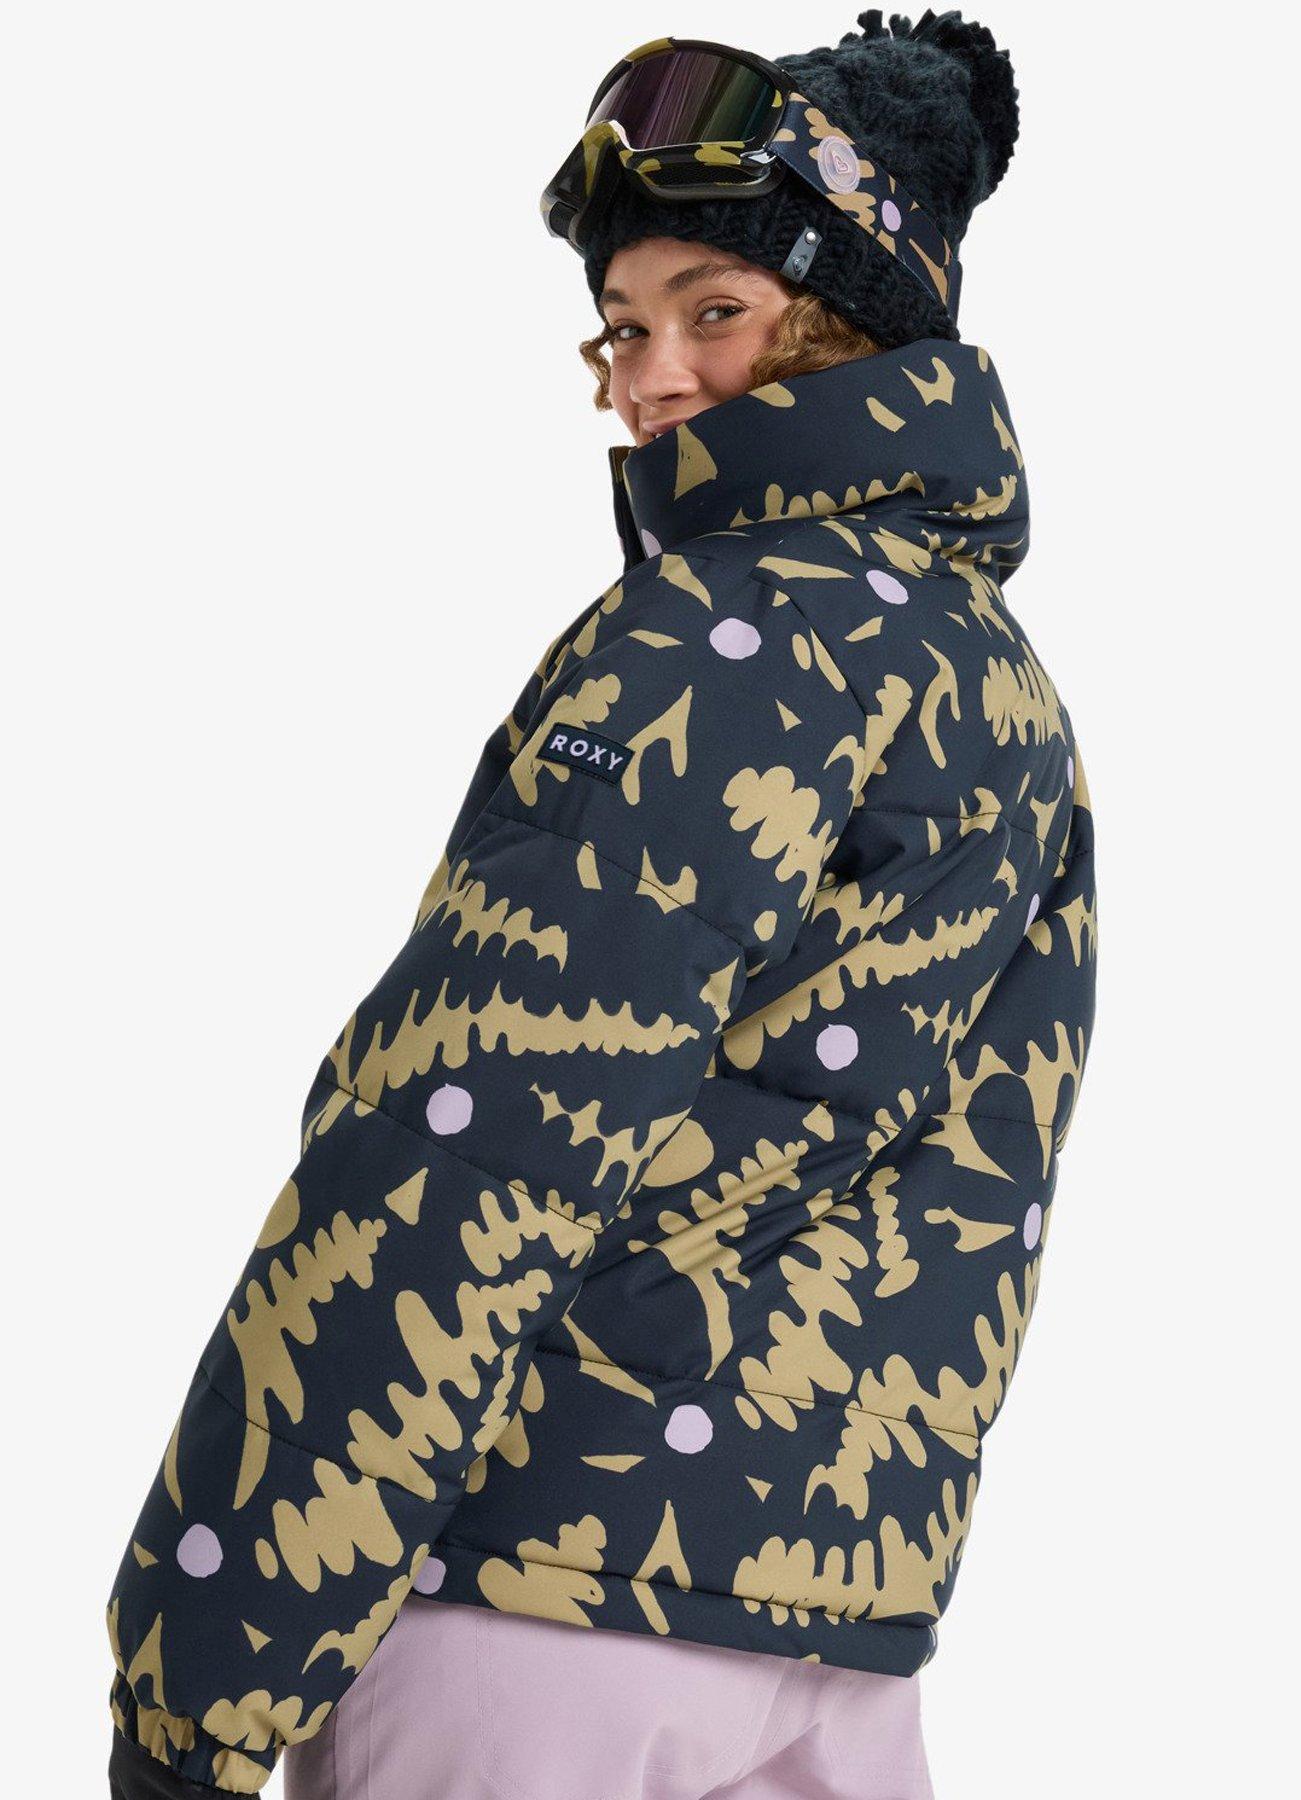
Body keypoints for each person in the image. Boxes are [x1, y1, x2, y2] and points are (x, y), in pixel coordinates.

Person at [106, 11, 1099, 1799]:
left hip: (534, 1606)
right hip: (830, 1625)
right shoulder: (997, 678)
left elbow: (472, 1144)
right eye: (624, 328)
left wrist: (204, 1668)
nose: (654, 377)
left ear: (851, 322)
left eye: (715, 310)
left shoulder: (723, 632)